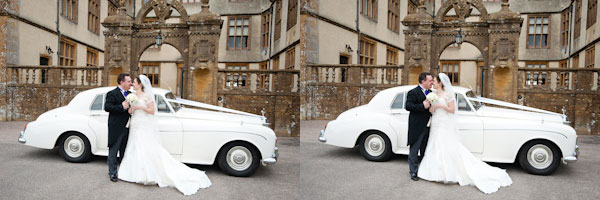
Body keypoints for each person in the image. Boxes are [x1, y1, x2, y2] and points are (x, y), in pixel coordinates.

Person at [417, 73, 512, 194]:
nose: (433, 83)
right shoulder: (432, 94)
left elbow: (452, 110)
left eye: (434, 81)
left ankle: (449, 172)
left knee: (446, 145)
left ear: (440, 83)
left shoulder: (448, 94)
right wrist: (432, 107)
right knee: (435, 145)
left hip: (444, 122)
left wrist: (441, 105)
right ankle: (433, 172)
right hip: (436, 122)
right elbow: (430, 109)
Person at [118, 75, 211, 195]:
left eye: (134, 83)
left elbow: (152, 111)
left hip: (143, 124)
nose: (132, 84)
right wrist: (131, 108)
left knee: (145, 146)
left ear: (140, 84)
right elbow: (131, 111)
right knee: (134, 146)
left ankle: (149, 173)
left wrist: (140, 106)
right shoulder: (133, 95)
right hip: (135, 123)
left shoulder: (147, 95)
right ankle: (133, 172)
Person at [405, 72, 434, 181]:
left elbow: (430, 108)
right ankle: (413, 172)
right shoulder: (413, 92)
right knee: (414, 149)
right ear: (423, 81)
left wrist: (432, 109)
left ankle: (424, 171)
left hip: (429, 126)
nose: (432, 82)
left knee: (425, 150)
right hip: (417, 126)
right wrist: (422, 105)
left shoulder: (431, 93)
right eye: (430, 80)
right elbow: (408, 106)